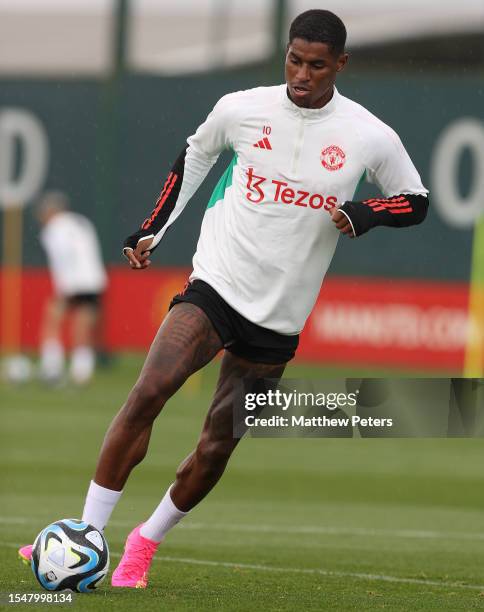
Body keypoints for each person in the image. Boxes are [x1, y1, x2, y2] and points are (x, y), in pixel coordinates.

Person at [19, 9, 429, 587]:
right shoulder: (242, 108)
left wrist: (366, 213)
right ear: (285, 53)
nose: (302, 74)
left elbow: (416, 200)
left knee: (216, 446)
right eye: (294, 59)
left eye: (316, 65)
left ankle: (146, 540)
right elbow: (193, 157)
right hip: (216, 285)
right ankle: (86, 536)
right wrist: (152, 228)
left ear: (340, 64)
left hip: (280, 317)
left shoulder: (369, 135)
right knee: (150, 390)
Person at [36, 191, 107, 385]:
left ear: (51, 211)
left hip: (73, 282)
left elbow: (63, 258)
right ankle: (81, 372)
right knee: (82, 328)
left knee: (52, 318)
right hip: (94, 281)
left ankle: (52, 368)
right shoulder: (81, 222)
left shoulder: (54, 228)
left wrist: (64, 288)